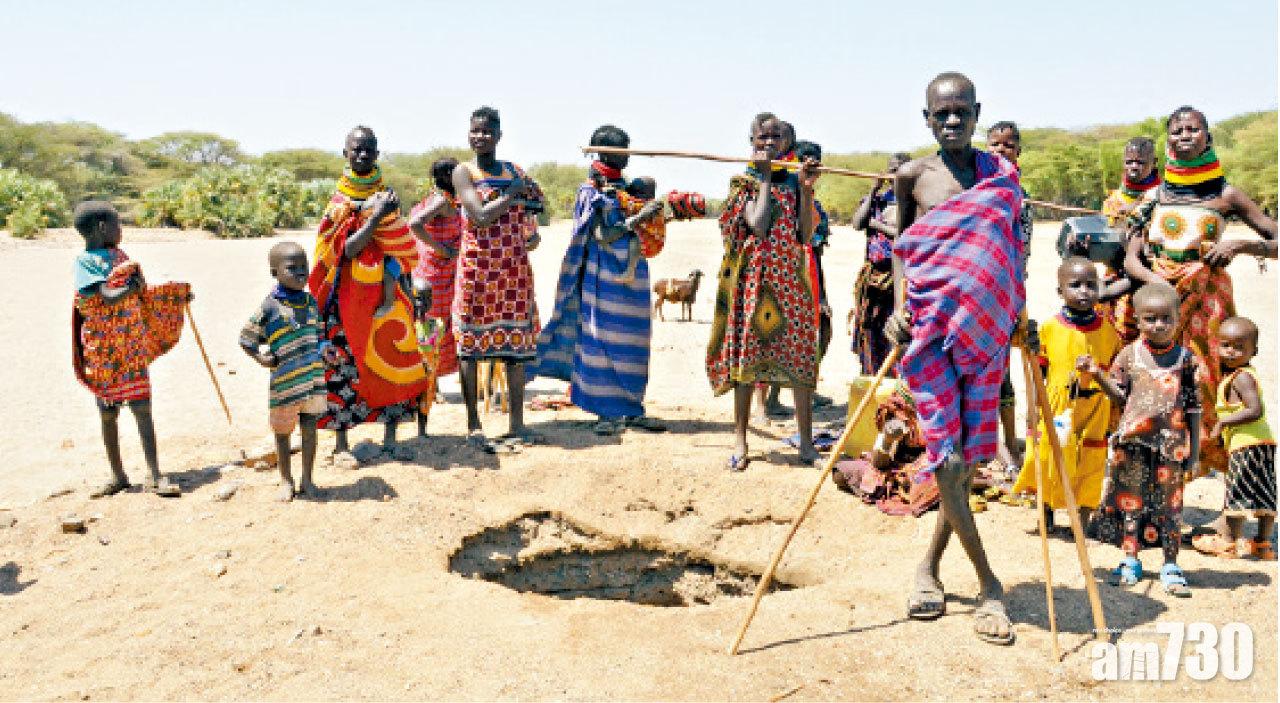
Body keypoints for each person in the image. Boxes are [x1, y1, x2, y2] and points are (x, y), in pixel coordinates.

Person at [887, 72, 1022, 644]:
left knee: (961, 462)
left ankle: (929, 568)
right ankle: (990, 586)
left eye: (960, 112)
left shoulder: (1002, 179)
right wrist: (897, 307)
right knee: (945, 458)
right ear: (926, 117)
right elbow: (903, 248)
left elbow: (1014, 249)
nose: (950, 121)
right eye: (939, 113)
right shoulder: (913, 176)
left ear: (977, 113)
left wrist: (1020, 313)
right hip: (930, 329)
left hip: (987, 331)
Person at [1124, 106, 1278, 473]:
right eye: (1176, 131)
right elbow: (1131, 257)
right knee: (1157, 383)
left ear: (1207, 137)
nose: (1184, 136)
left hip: (1209, 303)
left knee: (1208, 385)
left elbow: (1275, 239)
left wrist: (1240, 246)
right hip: (1160, 304)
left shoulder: (1227, 195)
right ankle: (1161, 479)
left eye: (1193, 129)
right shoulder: (1154, 197)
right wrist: (1159, 286)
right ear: (1168, 140)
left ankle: (1209, 467)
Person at [708, 112, 822, 471]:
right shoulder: (743, 183)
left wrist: (806, 189)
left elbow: (805, 235)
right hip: (753, 282)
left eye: (776, 138)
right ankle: (741, 440)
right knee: (747, 360)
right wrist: (766, 178)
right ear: (752, 142)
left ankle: (806, 443)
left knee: (801, 356)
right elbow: (757, 225)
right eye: (762, 138)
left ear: (788, 144)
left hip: (790, 280)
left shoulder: (794, 184)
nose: (768, 143)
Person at [535, 125, 666, 436]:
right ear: (600, 151)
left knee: (634, 342)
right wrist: (639, 218)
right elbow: (601, 235)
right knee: (601, 339)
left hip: (634, 278)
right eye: (619, 152)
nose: (625, 158)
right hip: (602, 274)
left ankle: (632, 409)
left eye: (627, 150)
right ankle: (604, 413)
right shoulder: (590, 191)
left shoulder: (630, 188)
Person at [308, 126, 430, 455]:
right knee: (342, 365)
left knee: (391, 359)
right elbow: (342, 251)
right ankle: (342, 443)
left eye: (369, 150)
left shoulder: (387, 195)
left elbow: (401, 247)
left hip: (384, 295)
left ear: (377, 154)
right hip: (344, 297)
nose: (362, 155)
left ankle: (391, 438)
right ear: (345, 153)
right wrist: (374, 219)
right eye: (356, 149)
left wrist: (405, 291)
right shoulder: (338, 203)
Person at [1083, 283, 1202, 596]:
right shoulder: (1129, 355)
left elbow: (1193, 409)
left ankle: (1170, 564)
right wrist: (1097, 374)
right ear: (1137, 319)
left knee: (1171, 506)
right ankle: (1130, 558)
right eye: (1151, 318)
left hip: (1171, 447)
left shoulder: (1186, 360)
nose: (1159, 325)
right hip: (1133, 445)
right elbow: (1119, 396)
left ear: (1178, 319)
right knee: (1131, 503)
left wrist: (1195, 452)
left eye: (1166, 318)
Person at [71, 201, 189, 498]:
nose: (121, 229)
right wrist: (129, 290)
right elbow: (106, 296)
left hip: (130, 345)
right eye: (117, 224)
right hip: (104, 350)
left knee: (142, 407)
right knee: (108, 412)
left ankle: (154, 473)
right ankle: (118, 475)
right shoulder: (86, 262)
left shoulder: (119, 256)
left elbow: (140, 295)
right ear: (101, 227)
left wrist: (174, 297)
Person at [452, 106, 546, 452]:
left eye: (487, 131)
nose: (480, 137)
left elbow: (537, 205)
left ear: (499, 136)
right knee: (470, 348)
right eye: (475, 131)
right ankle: (474, 424)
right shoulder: (464, 173)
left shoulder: (514, 171)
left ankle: (517, 424)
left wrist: (529, 228)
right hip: (478, 269)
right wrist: (512, 194)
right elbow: (478, 216)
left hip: (513, 271)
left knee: (516, 348)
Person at [1011, 257, 1121, 532]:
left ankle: (1081, 521)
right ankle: (1046, 514)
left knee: (1091, 462)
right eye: (1075, 285)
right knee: (1048, 456)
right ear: (1060, 291)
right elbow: (1040, 374)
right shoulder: (1049, 329)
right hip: (1057, 406)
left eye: (1090, 285)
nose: (1084, 291)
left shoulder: (1109, 332)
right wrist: (1035, 407)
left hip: (1095, 409)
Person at [239, 242, 331, 501]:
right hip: (286, 385)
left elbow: (318, 333)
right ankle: (286, 481)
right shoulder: (269, 307)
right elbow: (246, 339)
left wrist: (325, 349)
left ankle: (308, 481)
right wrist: (261, 358)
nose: (301, 273)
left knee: (310, 428)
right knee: (283, 434)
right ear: (274, 272)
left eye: (304, 268)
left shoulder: (310, 302)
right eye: (292, 268)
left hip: (313, 380)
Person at [1192, 316, 1276, 560]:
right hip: (1263, 443)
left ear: (1254, 351)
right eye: (1225, 345)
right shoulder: (1244, 373)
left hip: (1245, 444)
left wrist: (1222, 422)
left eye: (1239, 347)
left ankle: (1227, 542)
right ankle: (1263, 544)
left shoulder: (1240, 377)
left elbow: (1254, 409)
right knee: (1263, 491)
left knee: (1236, 492)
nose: (1231, 352)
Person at [985, 120, 1033, 472]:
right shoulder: (976, 188)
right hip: (975, 293)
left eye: (1009, 146)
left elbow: (1022, 251)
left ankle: (1010, 441)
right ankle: (987, 444)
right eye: (995, 145)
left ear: (1018, 152)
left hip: (1007, 293)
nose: (1001, 151)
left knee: (1002, 370)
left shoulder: (1020, 197)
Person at [407, 157, 464, 437]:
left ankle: (434, 383)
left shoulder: (449, 200)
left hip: (442, 269)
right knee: (434, 323)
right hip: (434, 270)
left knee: (439, 323)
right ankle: (431, 384)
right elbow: (414, 223)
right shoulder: (442, 201)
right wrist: (440, 247)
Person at [850, 152, 910, 377]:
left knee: (896, 331)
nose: (896, 176)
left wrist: (878, 225)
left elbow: (903, 234)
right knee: (870, 331)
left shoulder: (912, 203)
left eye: (902, 172)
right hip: (873, 279)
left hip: (899, 278)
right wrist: (872, 191)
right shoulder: (877, 201)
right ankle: (871, 376)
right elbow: (858, 222)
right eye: (893, 171)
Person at [1097, 137, 1161, 340]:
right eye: (1129, 162)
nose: (1134, 167)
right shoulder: (1113, 202)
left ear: (1155, 163)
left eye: (1141, 162)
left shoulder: (1165, 197)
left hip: (1157, 278)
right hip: (1118, 281)